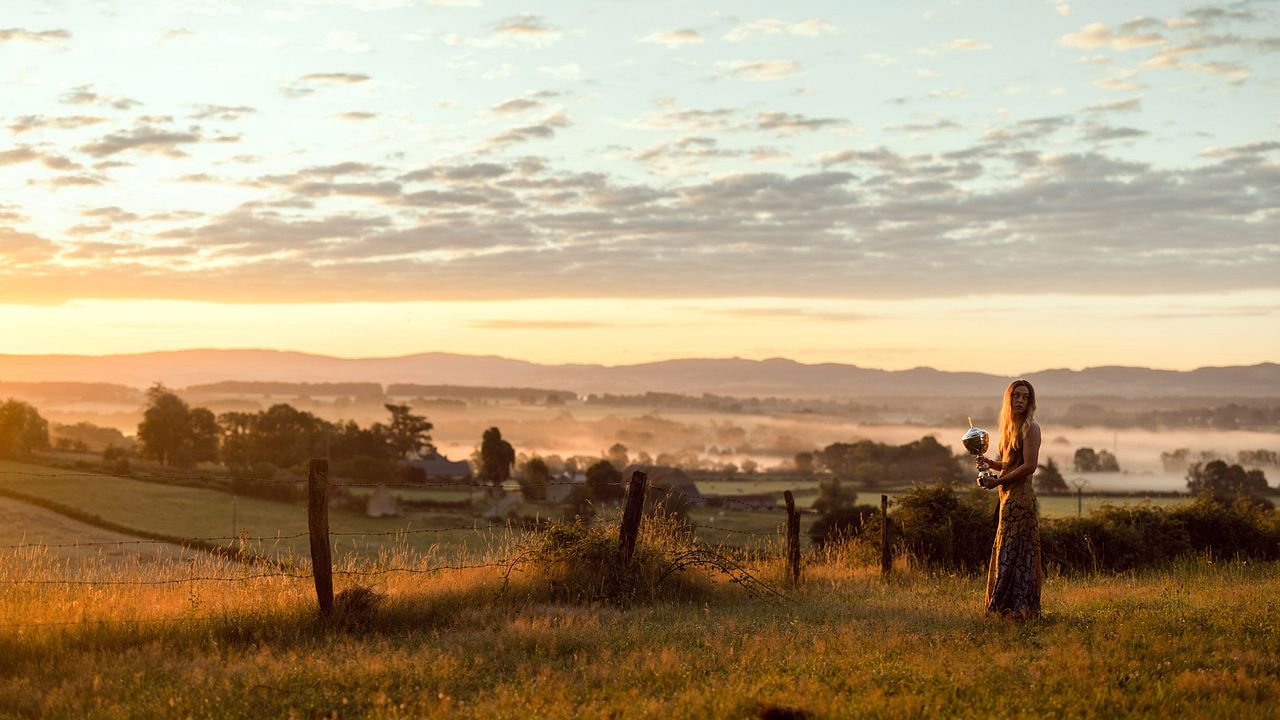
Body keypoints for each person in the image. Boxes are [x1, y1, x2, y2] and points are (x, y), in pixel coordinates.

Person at [975, 379, 1043, 619]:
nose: (1021, 400)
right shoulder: (1011, 427)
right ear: (1009, 399)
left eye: (1025, 397)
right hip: (1008, 500)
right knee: (1007, 550)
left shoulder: (1030, 428)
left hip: (1021, 501)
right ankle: (1004, 608)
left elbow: (1029, 466)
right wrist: (992, 464)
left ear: (1030, 401)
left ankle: (1018, 609)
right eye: (1016, 396)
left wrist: (998, 481)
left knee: (1016, 553)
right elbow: (1012, 463)